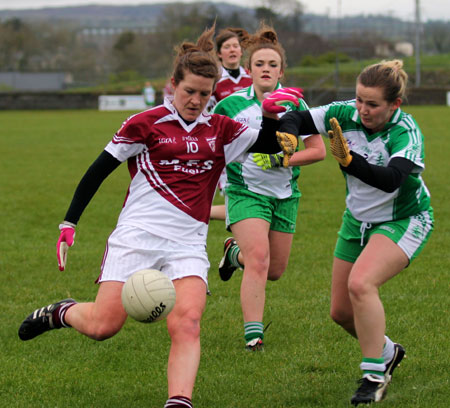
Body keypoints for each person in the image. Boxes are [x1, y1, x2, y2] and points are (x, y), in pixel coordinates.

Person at [17, 25, 297, 408]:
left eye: (204, 94)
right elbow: (98, 170)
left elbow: (269, 142)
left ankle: (179, 402)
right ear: (172, 85)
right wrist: (70, 222)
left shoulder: (222, 130)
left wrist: (269, 115)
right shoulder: (144, 124)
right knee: (104, 325)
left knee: (187, 323)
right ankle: (63, 312)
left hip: (187, 244)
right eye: (189, 92)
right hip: (137, 236)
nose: (196, 100)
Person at [265, 59, 433, 405]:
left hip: (403, 218)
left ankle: (373, 375)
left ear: (394, 105)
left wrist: (349, 161)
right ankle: (388, 352)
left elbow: (391, 181)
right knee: (341, 313)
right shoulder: (345, 113)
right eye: (359, 100)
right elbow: (298, 115)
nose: (362, 110)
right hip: (357, 220)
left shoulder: (406, 131)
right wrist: (288, 132)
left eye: (372, 104)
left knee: (361, 283)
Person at [214, 24, 326, 351]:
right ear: (249, 70)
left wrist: (280, 162)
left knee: (274, 271)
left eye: (272, 65)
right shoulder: (230, 107)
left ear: (281, 71)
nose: (266, 69)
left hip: (286, 195)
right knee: (260, 260)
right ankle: (254, 337)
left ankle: (233, 255)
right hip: (245, 192)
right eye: (260, 64)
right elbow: (214, 148)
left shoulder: (296, 105)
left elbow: (318, 151)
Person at [209, 27, 253, 220]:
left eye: (235, 46)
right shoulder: (215, 81)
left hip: (254, 145)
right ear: (219, 54)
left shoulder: (252, 78)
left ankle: (238, 248)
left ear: (241, 51)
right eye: (227, 47)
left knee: (249, 201)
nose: (232, 50)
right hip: (228, 149)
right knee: (238, 202)